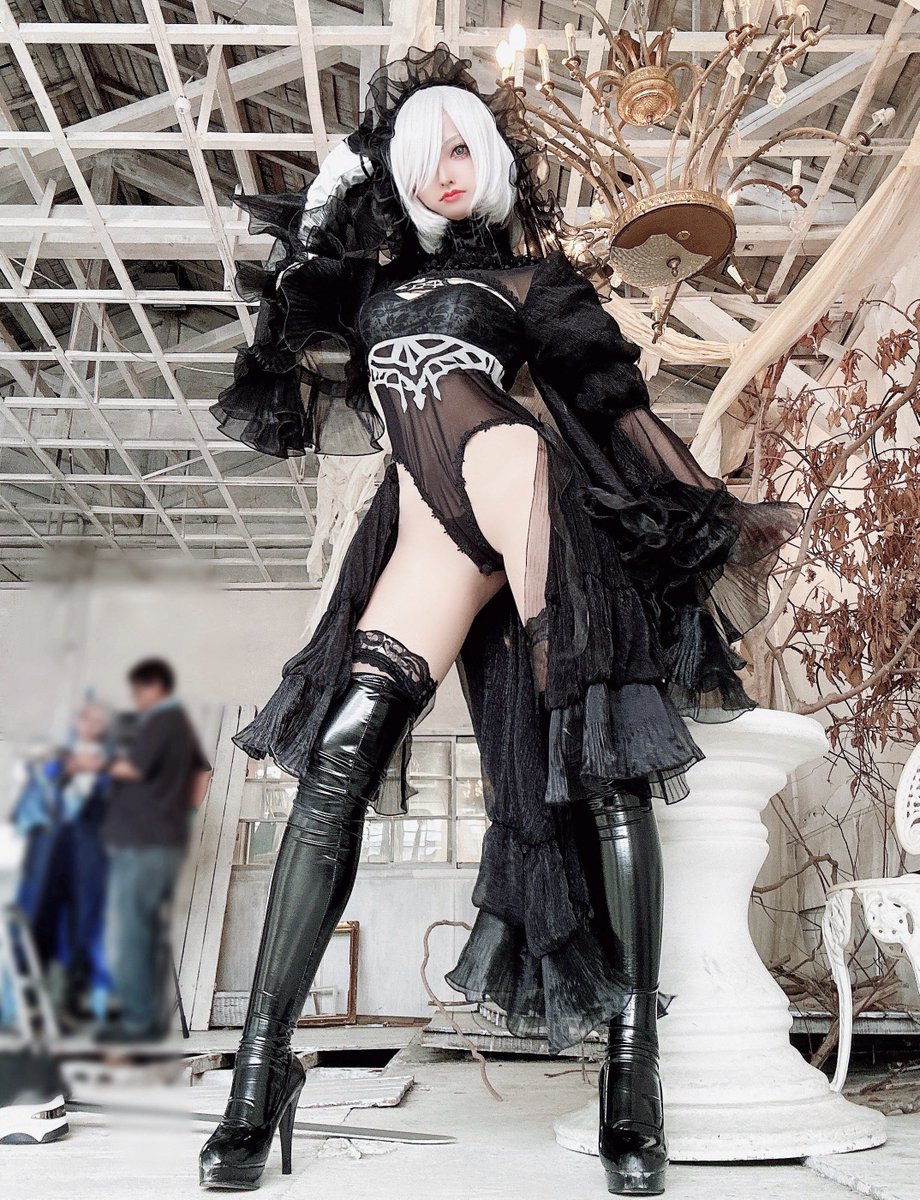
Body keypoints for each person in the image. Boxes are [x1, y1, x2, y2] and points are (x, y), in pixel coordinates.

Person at [200, 44, 804, 1194]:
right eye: (423, 151)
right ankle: (260, 1075)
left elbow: (610, 408)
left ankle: (631, 1075)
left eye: (463, 147)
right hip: (426, 519)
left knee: (597, 749)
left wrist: (693, 509)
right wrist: (330, 197)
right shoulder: (366, 285)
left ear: (489, 164)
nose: (446, 168)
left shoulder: (532, 284)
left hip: (510, 474)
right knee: (337, 760)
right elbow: (282, 348)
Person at [68, 659, 212, 1042]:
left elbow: (136, 769)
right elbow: (202, 772)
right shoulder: (172, 725)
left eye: (139, 691)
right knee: (135, 927)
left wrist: (92, 763)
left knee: (131, 931)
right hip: (146, 843)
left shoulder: (163, 722)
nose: (136, 698)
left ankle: (138, 1021)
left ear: (154, 689)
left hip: (144, 845)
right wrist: (183, 814)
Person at [12, 697, 114, 1028]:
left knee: (83, 927)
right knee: (38, 921)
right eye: (85, 718)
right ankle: (29, 1005)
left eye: (96, 719)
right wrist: (63, 768)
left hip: (90, 855)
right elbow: (31, 804)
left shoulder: (112, 763)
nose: (89, 724)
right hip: (49, 852)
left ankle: (72, 1003)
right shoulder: (54, 759)